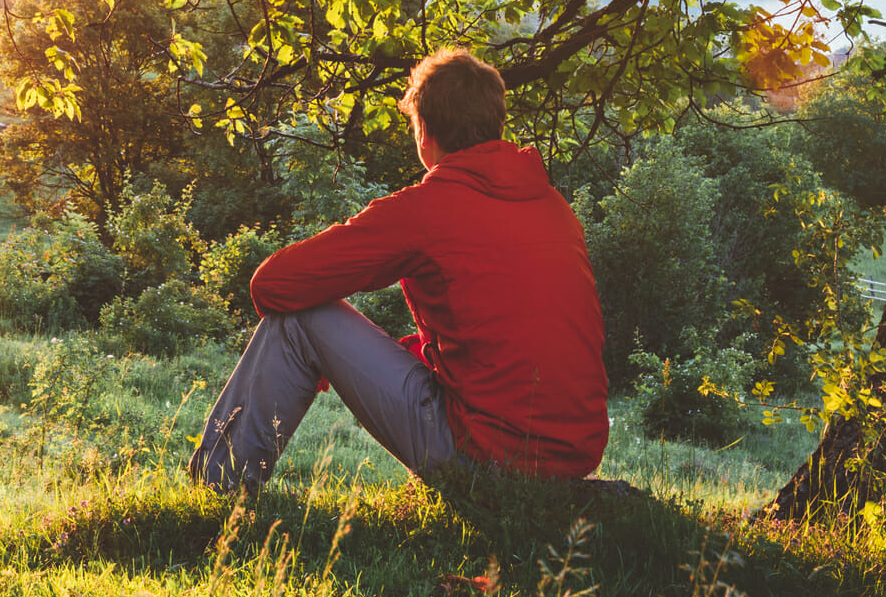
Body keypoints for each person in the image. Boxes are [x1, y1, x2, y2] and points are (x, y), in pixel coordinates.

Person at [189, 47, 609, 491]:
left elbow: (273, 284)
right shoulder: (553, 205)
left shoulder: (427, 209)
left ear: (423, 131)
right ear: (495, 124)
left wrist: (328, 357)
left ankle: (216, 492)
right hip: (573, 457)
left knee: (300, 317)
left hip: (485, 457)